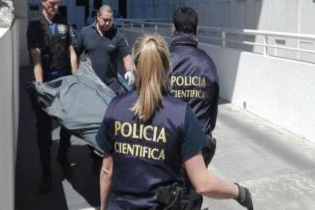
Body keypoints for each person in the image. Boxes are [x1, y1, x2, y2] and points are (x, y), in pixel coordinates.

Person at [96, 34, 253, 210]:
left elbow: (107, 171)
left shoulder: (115, 107)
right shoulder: (181, 114)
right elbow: (203, 183)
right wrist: (239, 192)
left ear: (134, 66)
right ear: (169, 68)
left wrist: (103, 207)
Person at [169, 6, 219, 209]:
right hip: (199, 145)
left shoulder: (163, 60)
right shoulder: (207, 63)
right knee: (193, 196)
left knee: (167, 196)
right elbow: (212, 109)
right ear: (197, 30)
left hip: (167, 143)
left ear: (173, 29)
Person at [26, 0, 78, 193]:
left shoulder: (64, 23)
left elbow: (71, 51)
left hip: (64, 82)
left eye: (57, 3)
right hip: (46, 84)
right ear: (42, 2)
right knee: (44, 129)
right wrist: (40, 86)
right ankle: (46, 170)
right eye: (51, 3)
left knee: (67, 125)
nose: (55, 7)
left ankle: (62, 157)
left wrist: (75, 79)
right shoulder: (35, 26)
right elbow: (36, 54)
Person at [77, 4, 135, 94]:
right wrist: (76, 73)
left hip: (110, 86)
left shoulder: (118, 36)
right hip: (90, 84)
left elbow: (126, 55)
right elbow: (75, 53)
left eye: (110, 20)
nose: (107, 23)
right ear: (98, 17)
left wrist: (129, 71)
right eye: (105, 20)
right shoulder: (85, 32)